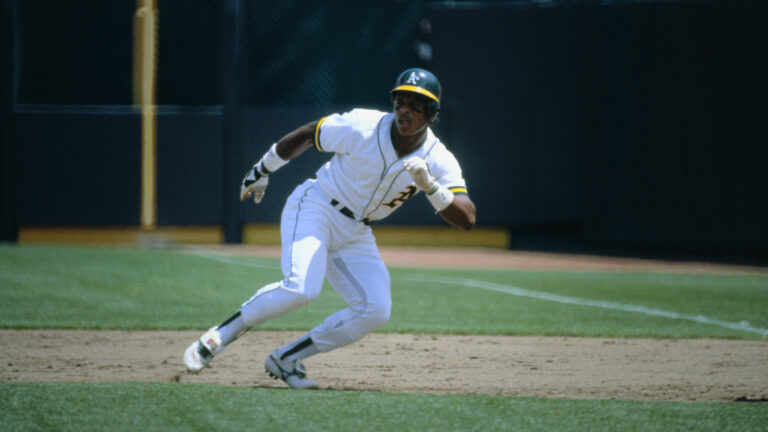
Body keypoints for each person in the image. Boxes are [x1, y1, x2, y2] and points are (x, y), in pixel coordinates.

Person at [183, 68, 476, 389]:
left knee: (376, 308)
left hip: (356, 231)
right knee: (301, 288)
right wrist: (263, 168)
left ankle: (286, 359)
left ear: (432, 114)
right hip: (317, 205)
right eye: (400, 101)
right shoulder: (363, 126)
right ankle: (216, 337)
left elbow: (467, 218)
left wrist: (432, 187)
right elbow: (311, 133)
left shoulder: (438, 159)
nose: (404, 110)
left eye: (416, 105)